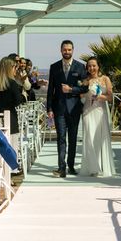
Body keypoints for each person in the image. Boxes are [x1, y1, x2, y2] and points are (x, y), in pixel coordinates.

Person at [46, 39, 88, 178]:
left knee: (73, 138)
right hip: (59, 109)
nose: (67, 52)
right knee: (61, 138)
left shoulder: (80, 67)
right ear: (61, 50)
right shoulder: (54, 67)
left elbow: (85, 87)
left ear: (73, 50)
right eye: (65, 50)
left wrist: (71, 89)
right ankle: (61, 167)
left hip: (75, 108)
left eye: (69, 50)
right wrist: (49, 109)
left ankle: (70, 165)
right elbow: (50, 90)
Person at [79, 57, 116, 177]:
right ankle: (92, 167)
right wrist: (88, 94)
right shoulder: (85, 81)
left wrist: (99, 96)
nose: (91, 68)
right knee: (89, 137)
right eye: (89, 66)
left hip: (100, 111)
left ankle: (101, 166)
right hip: (88, 111)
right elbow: (81, 96)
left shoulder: (105, 79)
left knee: (99, 138)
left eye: (94, 65)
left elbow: (110, 97)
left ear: (98, 66)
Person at [0, 57, 26, 159]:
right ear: (10, 68)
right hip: (10, 117)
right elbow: (18, 101)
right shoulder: (12, 83)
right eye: (15, 67)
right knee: (12, 143)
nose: (16, 69)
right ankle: (11, 167)